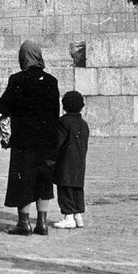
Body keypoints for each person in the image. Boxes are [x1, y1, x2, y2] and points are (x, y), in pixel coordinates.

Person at [0, 40, 60, 236]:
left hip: (24, 140)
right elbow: (55, 112)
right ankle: (42, 223)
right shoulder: (51, 81)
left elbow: (3, 106)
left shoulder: (17, 80)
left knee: (22, 180)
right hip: (47, 140)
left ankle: (24, 223)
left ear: (22, 58)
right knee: (44, 180)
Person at [52, 90, 89, 230]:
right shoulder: (83, 124)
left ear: (64, 105)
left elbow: (57, 143)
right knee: (77, 188)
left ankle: (68, 217)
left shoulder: (63, 122)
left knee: (65, 189)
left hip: (65, 163)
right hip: (79, 162)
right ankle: (78, 215)